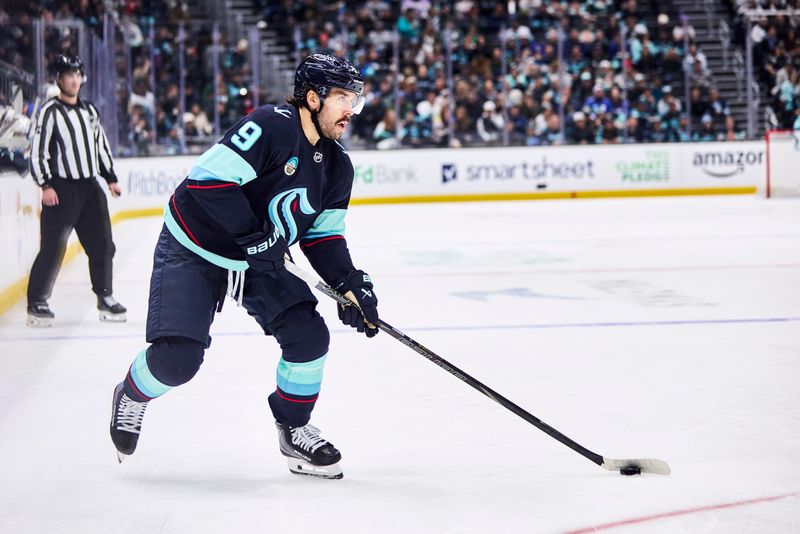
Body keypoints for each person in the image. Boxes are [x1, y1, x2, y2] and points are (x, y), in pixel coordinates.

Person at [108, 53, 379, 480]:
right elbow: (207, 181)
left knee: (309, 338)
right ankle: (131, 394)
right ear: (312, 97)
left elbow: (323, 237)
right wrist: (256, 236)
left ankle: (294, 427)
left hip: (259, 257)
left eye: (355, 100)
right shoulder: (272, 126)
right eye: (343, 98)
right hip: (195, 244)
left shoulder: (338, 167)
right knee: (178, 360)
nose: (351, 110)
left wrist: (350, 282)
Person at [26, 54, 126, 327]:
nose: (73, 79)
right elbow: (37, 150)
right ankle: (37, 301)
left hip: (89, 188)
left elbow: (101, 145)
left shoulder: (90, 110)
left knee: (103, 245)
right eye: (67, 74)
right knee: (52, 248)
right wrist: (45, 184)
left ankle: (105, 296)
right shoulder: (49, 111)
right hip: (60, 188)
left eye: (77, 74)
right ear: (58, 79)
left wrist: (110, 177)